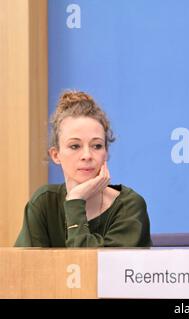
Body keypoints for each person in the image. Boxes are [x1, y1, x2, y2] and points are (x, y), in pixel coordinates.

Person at [15, 91, 151, 247]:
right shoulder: (44, 203)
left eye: (97, 146)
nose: (87, 155)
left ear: (105, 153)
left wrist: (75, 201)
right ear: (56, 155)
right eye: (75, 146)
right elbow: (23, 269)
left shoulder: (129, 206)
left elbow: (90, 266)